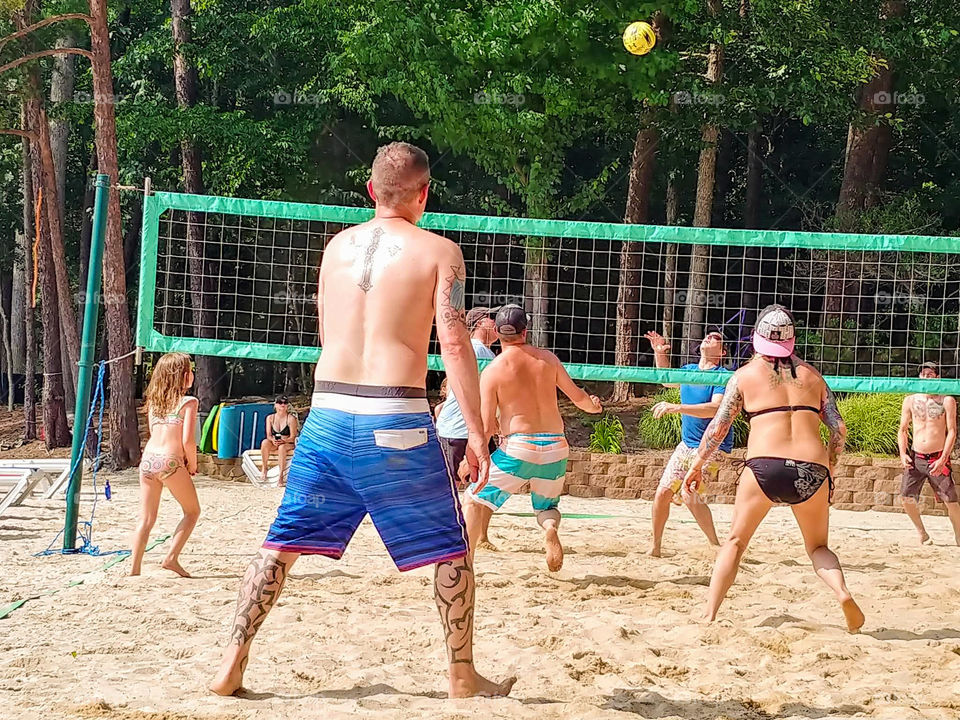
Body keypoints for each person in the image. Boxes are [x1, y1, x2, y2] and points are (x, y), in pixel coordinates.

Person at [211, 142, 515, 699]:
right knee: (451, 549)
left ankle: (231, 661)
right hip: (394, 415)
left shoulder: (335, 248)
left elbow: (328, 336)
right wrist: (476, 430)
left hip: (327, 413)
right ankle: (462, 675)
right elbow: (454, 342)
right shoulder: (439, 251)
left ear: (372, 191)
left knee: (279, 545)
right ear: (425, 194)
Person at [683, 304, 864, 632]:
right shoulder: (814, 377)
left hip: (764, 467)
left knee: (735, 543)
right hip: (812, 471)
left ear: (756, 339)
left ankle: (709, 614)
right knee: (818, 547)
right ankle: (841, 592)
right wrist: (830, 472)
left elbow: (718, 428)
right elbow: (839, 430)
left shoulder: (744, 376)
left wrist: (697, 466)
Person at [463, 305, 603, 572]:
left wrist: (471, 458)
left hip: (518, 446)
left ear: (496, 332)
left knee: (473, 499)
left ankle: (465, 563)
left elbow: (486, 426)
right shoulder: (547, 360)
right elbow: (578, 398)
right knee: (547, 507)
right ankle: (550, 529)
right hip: (556, 446)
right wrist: (594, 406)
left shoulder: (493, 370)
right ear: (525, 331)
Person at [643, 328, 732, 557]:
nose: (709, 337)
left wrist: (677, 408)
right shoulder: (689, 371)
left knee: (688, 494)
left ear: (722, 352)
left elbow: (714, 408)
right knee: (662, 493)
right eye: (708, 335)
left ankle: (714, 544)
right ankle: (655, 547)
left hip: (712, 446)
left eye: (716, 338)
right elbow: (666, 381)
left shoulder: (722, 376)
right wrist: (659, 353)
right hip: (687, 444)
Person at [131, 352, 200, 578]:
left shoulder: (154, 402)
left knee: (146, 518)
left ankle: (134, 569)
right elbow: (187, 440)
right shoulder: (188, 402)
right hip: (169, 461)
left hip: (148, 459)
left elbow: (153, 432)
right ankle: (171, 558)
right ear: (184, 376)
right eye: (189, 371)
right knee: (192, 512)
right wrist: (192, 464)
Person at [897, 362, 960, 545]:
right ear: (920, 377)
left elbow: (952, 432)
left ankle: (958, 534)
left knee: (951, 501)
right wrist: (902, 453)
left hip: (937, 457)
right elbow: (902, 429)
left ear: (938, 378)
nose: (927, 377)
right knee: (906, 498)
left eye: (931, 374)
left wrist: (943, 459)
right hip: (916, 457)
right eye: (924, 374)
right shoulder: (910, 400)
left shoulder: (946, 400)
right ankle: (922, 533)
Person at [436, 306, 497, 481]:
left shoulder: (480, 351)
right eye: (491, 318)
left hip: (465, 429)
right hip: (459, 430)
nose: (496, 322)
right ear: (480, 323)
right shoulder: (477, 350)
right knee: (454, 483)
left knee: (479, 480)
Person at [259, 396, 299, 486]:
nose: (283, 405)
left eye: (285, 403)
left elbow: (293, 436)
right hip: (275, 441)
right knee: (265, 442)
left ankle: (280, 475)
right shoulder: (270, 418)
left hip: (287, 442)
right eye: (280, 403)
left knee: (282, 447)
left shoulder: (291, 419)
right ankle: (264, 468)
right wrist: (273, 440)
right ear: (276, 405)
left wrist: (284, 440)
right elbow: (268, 435)